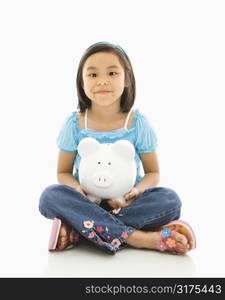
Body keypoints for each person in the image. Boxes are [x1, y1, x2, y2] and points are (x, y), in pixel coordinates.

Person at [39, 41, 196, 255]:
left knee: (170, 201)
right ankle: (139, 238)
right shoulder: (74, 124)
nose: (102, 81)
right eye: (93, 75)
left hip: (126, 205)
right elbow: (63, 172)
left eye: (112, 73)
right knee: (50, 196)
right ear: (81, 82)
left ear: (127, 79)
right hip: (86, 202)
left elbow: (153, 172)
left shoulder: (138, 123)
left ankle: (82, 229)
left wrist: (137, 191)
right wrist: (78, 192)